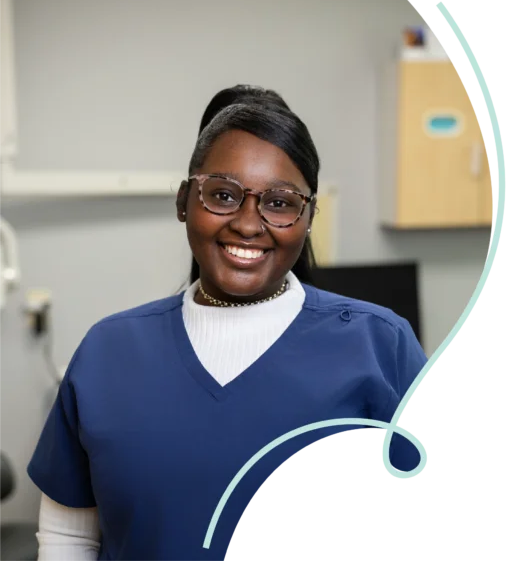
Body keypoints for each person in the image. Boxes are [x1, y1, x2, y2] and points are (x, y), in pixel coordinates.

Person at [25, 85, 427, 560]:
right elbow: (70, 539)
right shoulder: (107, 353)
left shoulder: (380, 346)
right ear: (183, 201)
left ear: (309, 216)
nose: (248, 224)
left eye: (279, 202)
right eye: (223, 195)